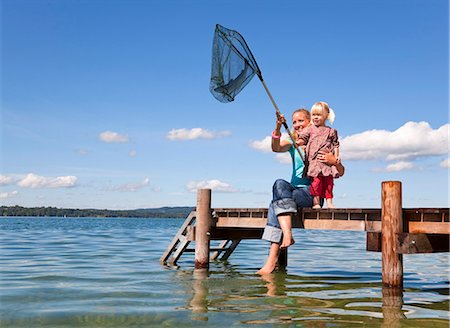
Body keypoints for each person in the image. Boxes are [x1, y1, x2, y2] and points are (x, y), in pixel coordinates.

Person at [257, 108, 344, 275]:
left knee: (276, 204)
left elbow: (340, 172)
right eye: (294, 122)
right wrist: (278, 128)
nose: (296, 125)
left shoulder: (323, 140)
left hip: (312, 193)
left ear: (310, 121)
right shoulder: (294, 140)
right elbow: (275, 148)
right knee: (279, 184)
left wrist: (335, 162)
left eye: (301, 121)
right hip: (293, 189)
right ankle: (287, 235)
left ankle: (271, 261)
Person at [297, 101, 340, 209]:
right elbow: (303, 139)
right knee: (316, 183)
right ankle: (316, 203)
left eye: (319, 115)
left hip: (326, 163)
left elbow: (336, 145)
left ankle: (329, 202)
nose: (316, 117)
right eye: (314, 115)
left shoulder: (331, 131)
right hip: (315, 162)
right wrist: (298, 143)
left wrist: (336, 157)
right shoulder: (310, 130)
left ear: (325, 115)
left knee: (328, 184)